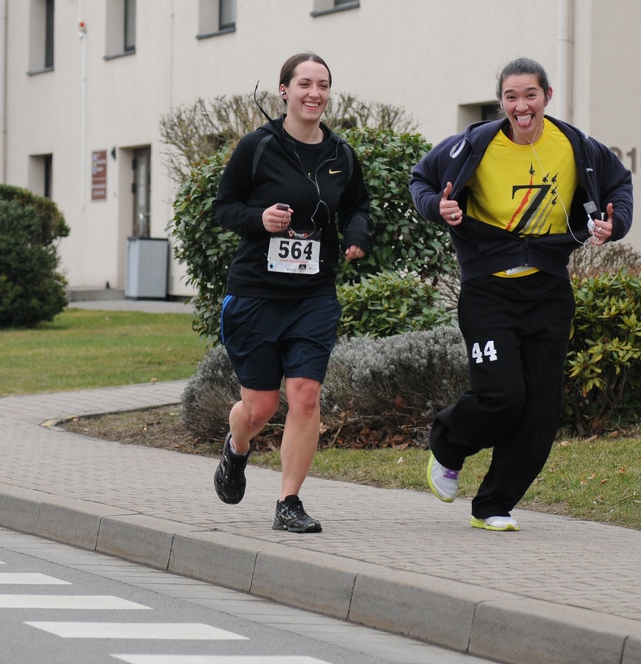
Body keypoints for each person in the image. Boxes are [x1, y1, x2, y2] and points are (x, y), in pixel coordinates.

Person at [410, 57, 633, 532]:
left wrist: (616, 226)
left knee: (541, 409)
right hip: (487, 288)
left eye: (529, 94)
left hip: (548, 289)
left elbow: (618, 184)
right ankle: (448, 444)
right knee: (502, 396)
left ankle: (494, 503)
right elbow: (422, 181)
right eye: (511, 96)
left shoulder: (576, 145)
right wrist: (438, 207)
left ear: (546, 96)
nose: (520, 105)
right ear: (502, 103)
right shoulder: (474, 143)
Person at [212, 53, 372, 533]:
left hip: (313, 295)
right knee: (259, 408)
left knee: (305, 395)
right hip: (257, 293)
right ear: (284, 90)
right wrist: (259, 220)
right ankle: (236, 447)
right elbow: (223, 207)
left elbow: (358, 206)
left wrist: (357, 236)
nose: (314, 93)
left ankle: (289, 503)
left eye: (323, 84)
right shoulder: (257, 147)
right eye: (304, 83)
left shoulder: (341, 154)